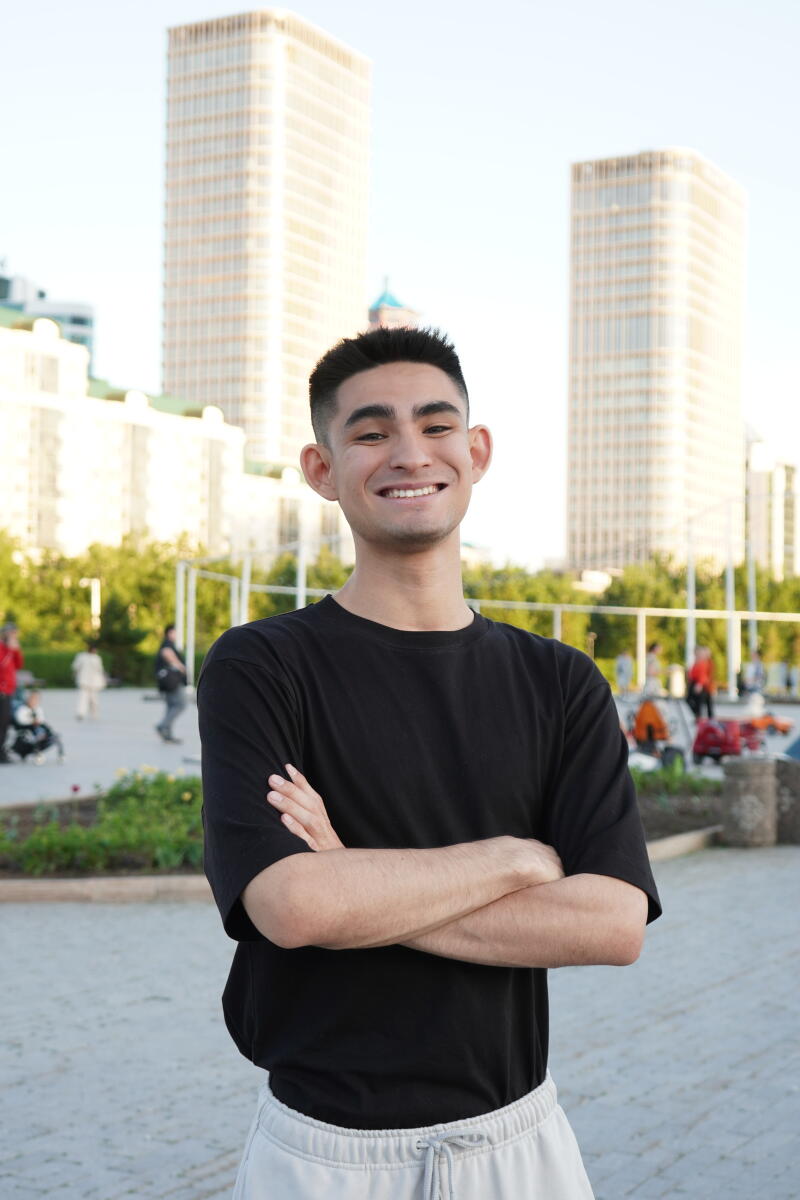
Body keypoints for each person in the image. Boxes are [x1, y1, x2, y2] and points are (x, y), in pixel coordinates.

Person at [198, 327, 661, 1200]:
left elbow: (612, 924)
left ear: (476, 452)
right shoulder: (260, 666)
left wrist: (353, 884)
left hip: (519, 1147)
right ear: (321, 468)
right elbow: (292, 906)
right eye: (371, 432)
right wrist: (516, 861)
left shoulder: (559, 681)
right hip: (324, 1156)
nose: (409, 452)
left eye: (436, 425)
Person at [155, 624, 187, 744]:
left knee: (171, 706)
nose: (177, 635)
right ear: (169, 633)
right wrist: (180, 666)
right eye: (175, 632)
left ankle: (167, 733)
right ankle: (162, 726)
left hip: (167, 681)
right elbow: (166, 653)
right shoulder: (167, 644)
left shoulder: (166, 643)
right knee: (181, 704)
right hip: (173, 681)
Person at [0, 622, 24, 764]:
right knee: (1, 723)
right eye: (12, 634)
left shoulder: (11, 649)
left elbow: (19, 665)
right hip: (1, 690)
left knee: (5, 723)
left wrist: (16, 651)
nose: (14, 637)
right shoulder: (2, 648)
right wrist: (9, 650)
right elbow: (2, 664)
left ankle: (2, 750)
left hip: (9, 690)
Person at [71, 640, 107, 720]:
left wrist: (103, 679)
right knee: (83, 697)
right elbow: (76, 667)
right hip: (83, 681)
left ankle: (94, 714)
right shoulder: (81, 656)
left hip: (94, 682)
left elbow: (100, 670)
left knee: (94, 699)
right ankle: (81, 713)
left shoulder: (97, 658)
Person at [686, 647, 715, 719]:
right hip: (698, 683)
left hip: (702, 684)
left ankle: (700, 717)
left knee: (701, 702)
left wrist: (700, 684)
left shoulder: (705, 662)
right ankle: (698, 716)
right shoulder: (698, 662)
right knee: (699, 702)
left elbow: (704, 675)